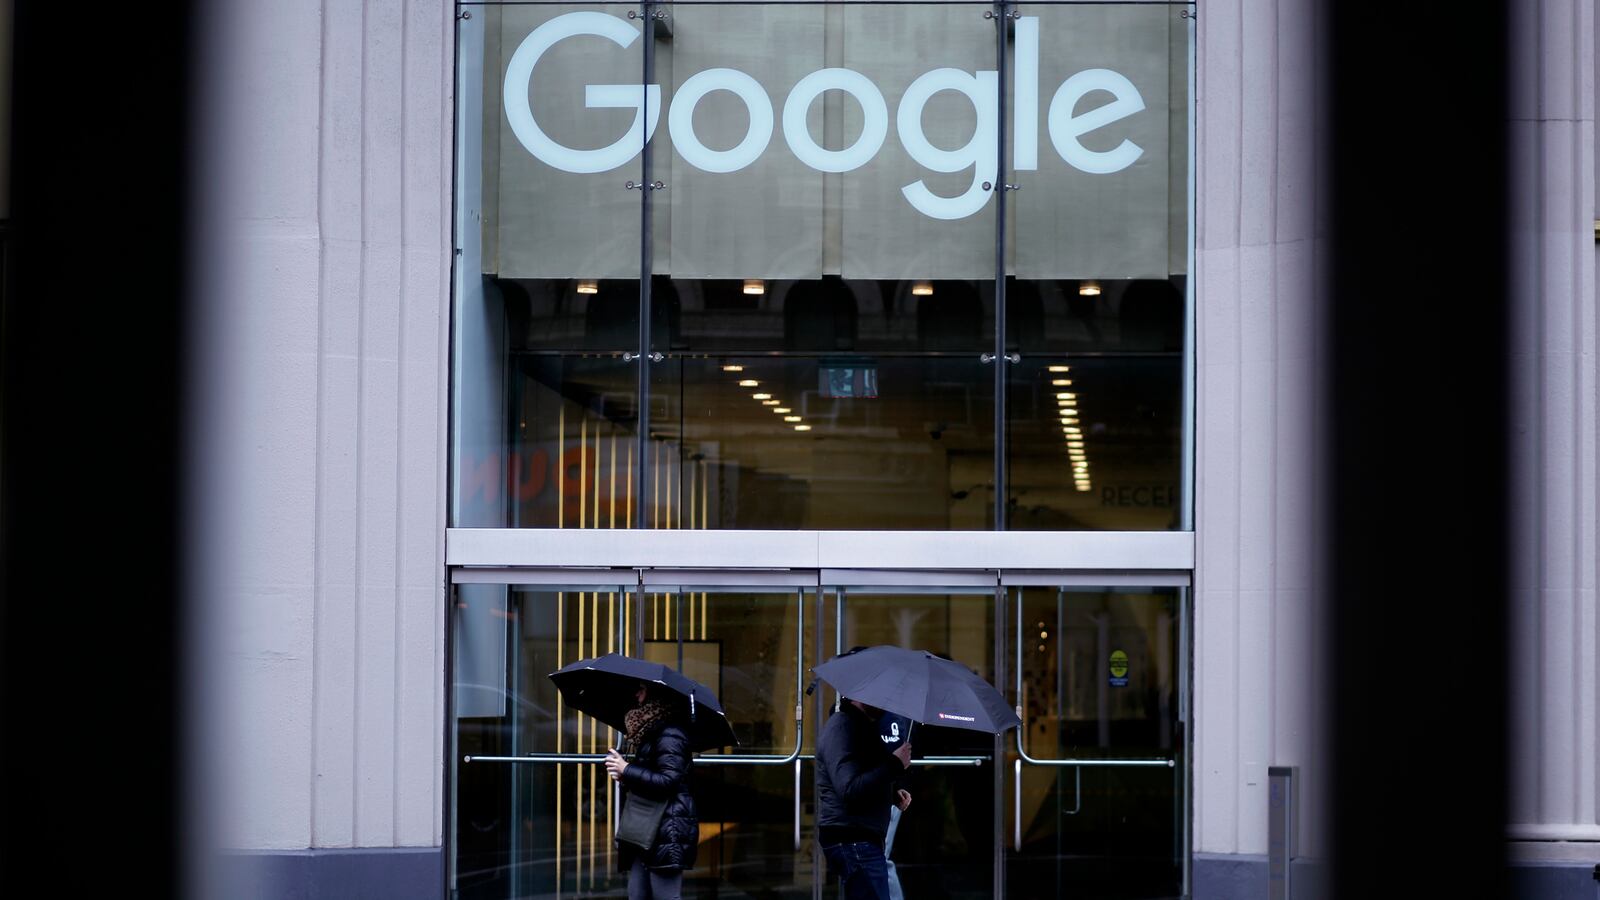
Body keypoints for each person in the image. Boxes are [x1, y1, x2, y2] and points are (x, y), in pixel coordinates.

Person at [816, 688, 914, 900]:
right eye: (881, 697)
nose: (885, 705)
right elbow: (850, 789)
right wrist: (894, 765)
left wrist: (892, 793)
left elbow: (863, 775)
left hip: (861, 837)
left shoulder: (861, 726)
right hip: (853, 838)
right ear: (860, 695)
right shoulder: (842, 726)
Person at [605, 683, 698, 900]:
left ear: (656, 695)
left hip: (666, 828)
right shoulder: (650, 731)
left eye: (642, 689)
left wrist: (627, 769)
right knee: (637, 894)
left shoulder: (670, 733)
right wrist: (625, 775)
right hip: (645, 829)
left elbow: (668, 781)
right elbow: (651, 776)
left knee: (664, 896)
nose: (636, 693)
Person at [877, 711, 912, 900]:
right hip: (885, 787)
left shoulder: (895, 713)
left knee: (879, 857)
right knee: (878, 857)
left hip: (889, 789)